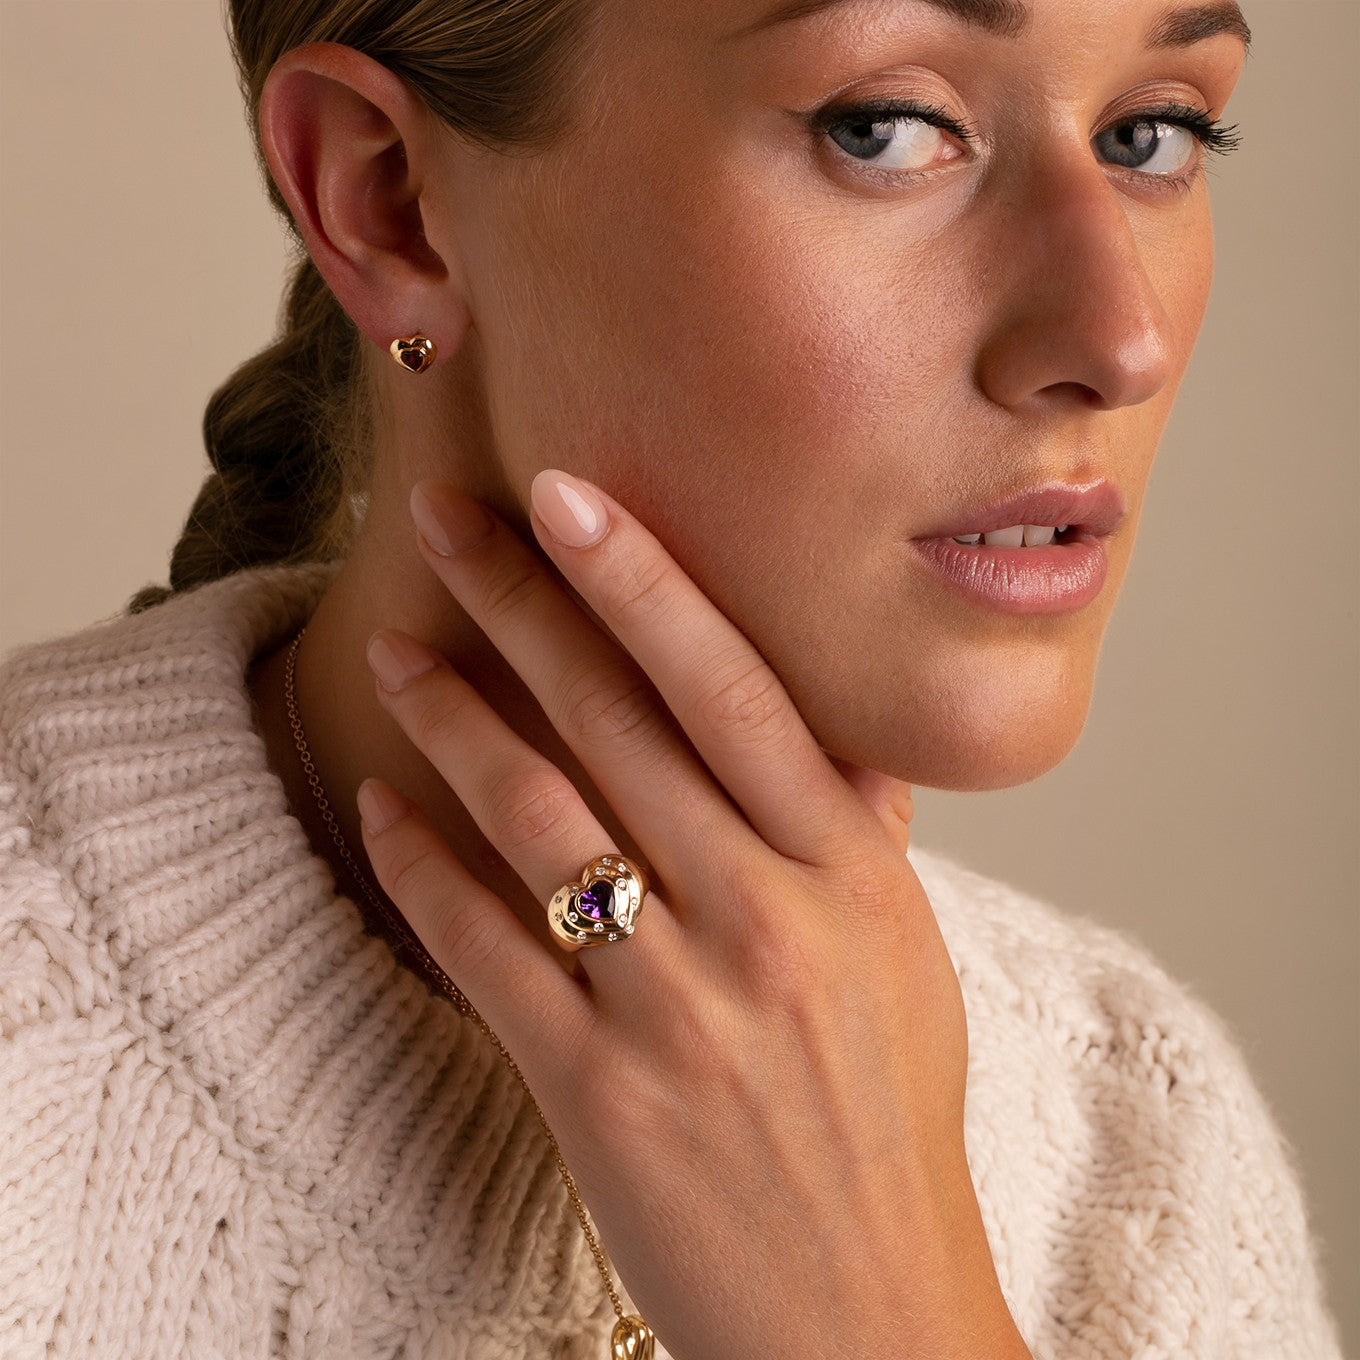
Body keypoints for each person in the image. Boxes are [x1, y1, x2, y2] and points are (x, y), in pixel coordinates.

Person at [0, 0, 1344, 1356]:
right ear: (388, 204)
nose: (1122, 339)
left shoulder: (1144, 1140)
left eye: (1152, 132)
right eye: (883, 128)